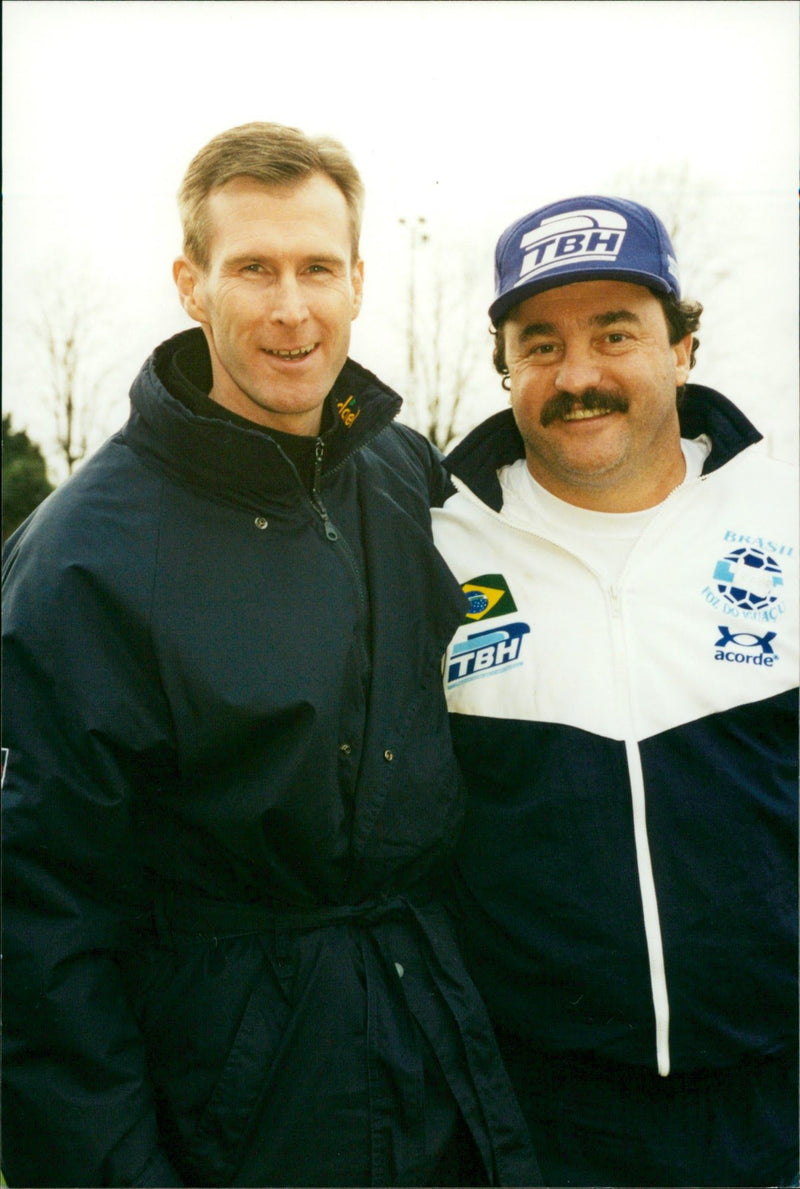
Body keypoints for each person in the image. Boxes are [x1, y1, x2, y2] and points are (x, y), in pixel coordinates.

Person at [1, 123, 539, 1189]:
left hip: (442, 1062)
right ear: (191, 284)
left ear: (356, 281)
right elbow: (37, 931)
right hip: (239, 1112)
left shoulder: (399, 475)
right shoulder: (80, 559)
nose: (291, 309)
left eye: (316, 269)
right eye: (253, 269)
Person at [432, 195, 798, 1187]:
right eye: (539, 344)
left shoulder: (781, 513)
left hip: (778, 1107)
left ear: (682, 346)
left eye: (614, 333)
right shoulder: (434, 546)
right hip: (542, 1126)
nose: (578, 375)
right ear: (502, 367)